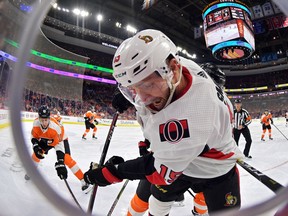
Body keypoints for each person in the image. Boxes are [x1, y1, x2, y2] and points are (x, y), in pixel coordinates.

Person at [84, 29, 244, 215]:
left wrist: (111, 172)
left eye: (147, 85)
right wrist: (132, 88)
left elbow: (158, 173)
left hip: (215, 169)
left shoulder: (192, 118)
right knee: (157, 203)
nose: (141, 99)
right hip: (185, 158)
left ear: (173, 71)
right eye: (133, 88)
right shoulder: (178, 66)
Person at [30, 105, 89, 191]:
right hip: (47, 139)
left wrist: (60, 161)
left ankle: (83, 180)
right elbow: (34, 137)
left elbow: (58, 144)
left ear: (49, 118)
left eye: (46, 120)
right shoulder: (35, 124)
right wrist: (35, 147)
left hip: (60, 139)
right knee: (37, 154)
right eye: (42, 120)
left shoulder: (56, 128)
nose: (44, 123)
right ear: (38, 118)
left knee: (67, 159)